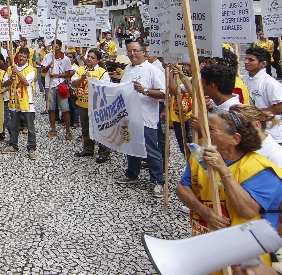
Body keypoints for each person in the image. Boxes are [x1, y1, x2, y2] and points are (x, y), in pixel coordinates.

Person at [176, 108, 282, 268]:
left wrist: (223, 170)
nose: (204, 132)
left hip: (247, 261)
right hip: (207, 250)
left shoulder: (262, 170)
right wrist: (204, 211)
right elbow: (182, 188)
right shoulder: (201, 157)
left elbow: (247, 211)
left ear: (235, 139)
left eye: (211, 129)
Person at [116, 42, 166, 198]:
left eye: (135, 51)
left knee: (151, 149)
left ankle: (158, 181)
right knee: (131, 147)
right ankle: (132, 173)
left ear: (144, 52)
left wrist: (144, 90)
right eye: (129, 51)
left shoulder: (153, 70)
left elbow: (164, 93)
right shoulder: (128, 69)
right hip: (129, 117)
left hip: (146, 118)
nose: (132, 54)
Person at [72, 49, 111, 163]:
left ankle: (103, 152)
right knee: (85, 128)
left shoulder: (102, 72)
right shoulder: (80, 69)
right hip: (83, 103)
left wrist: (92, 80)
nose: (89, 59)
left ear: (98, 60)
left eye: (92, 57)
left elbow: (106, 87)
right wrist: (82, 78)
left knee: (101, 128)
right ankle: (88, 149)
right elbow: (73, 84)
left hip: (98, 105)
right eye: (88, 56)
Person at [2, 47, 37, 160]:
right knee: (14, 126)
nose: (21, 58)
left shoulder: (31, 69)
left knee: (30, 127)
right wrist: (11, 80)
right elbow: (4, 84)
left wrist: (17, 72)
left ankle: (31, 148)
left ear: (27, 58)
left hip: (27, 102)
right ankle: (13, 144)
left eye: (24, 56)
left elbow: (26, 82)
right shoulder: (9, 68)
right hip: (13, 101)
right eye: (20, 55)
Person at [242, 47, 282, 144]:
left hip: (270, 135)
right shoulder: (243, 80)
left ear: (263, 64)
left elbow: (280, 108)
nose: (246, 62)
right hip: (251, 133)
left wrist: (256, 112)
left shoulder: (270, 83)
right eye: (246, 59)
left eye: (251, 60)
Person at [41, 40, 74, 140]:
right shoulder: (47, 57)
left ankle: (68, 131)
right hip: (49, 85)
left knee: (65, 109)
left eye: (57, 46)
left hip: (61, 85)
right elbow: (42, 70)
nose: (55, 48)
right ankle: (53, 129)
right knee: (51, 108)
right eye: (53, 46)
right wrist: (48, 66)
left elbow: (68, 73)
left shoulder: (66, 59)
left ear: (60, 47)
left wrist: (56, 75)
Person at [231, 104, 282, 168]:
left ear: (257, 125)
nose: (234, 130)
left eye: (239, 125)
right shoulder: (238, 146)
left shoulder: (276, 154)